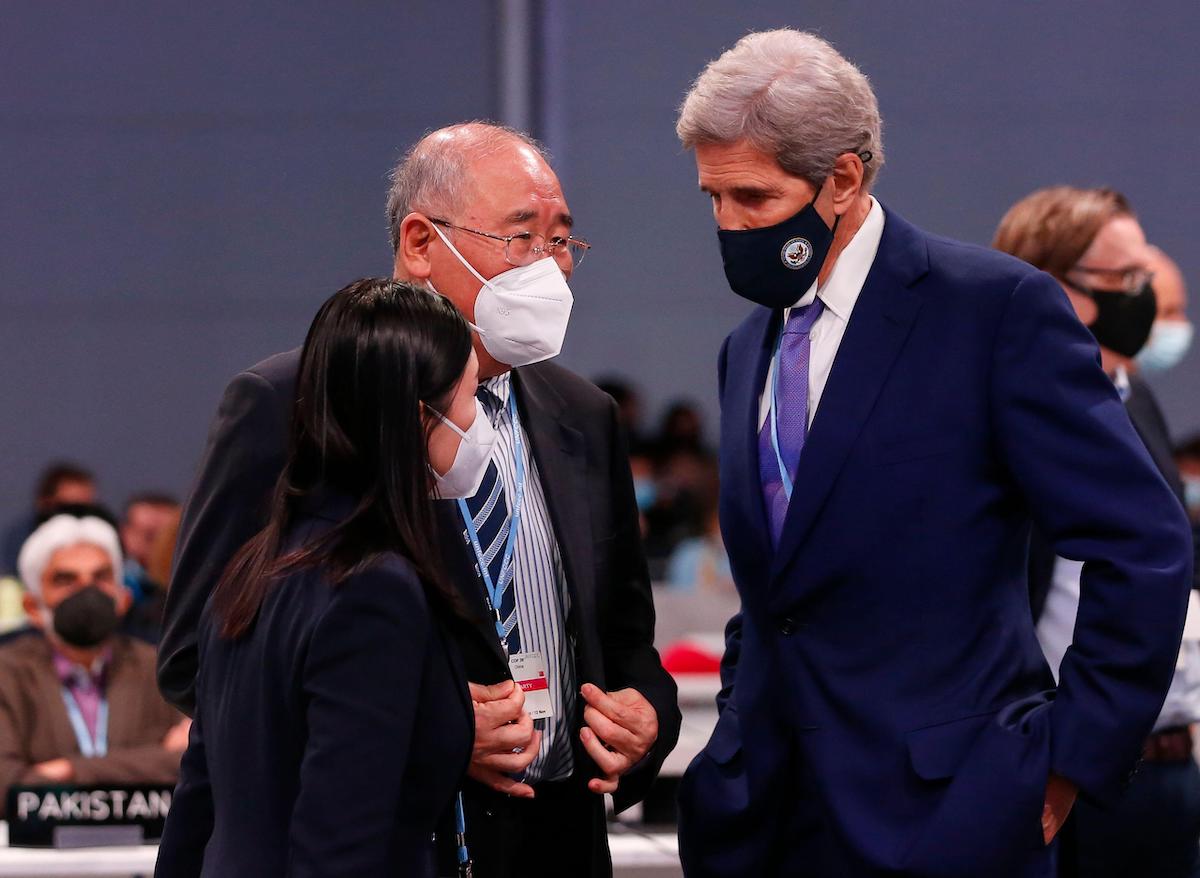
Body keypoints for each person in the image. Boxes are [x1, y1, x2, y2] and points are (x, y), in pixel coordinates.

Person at [673, 29, 1192, 878]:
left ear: (843, 178)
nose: (729, 224)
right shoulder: (747, 348)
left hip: (957, 815)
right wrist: (734, 730)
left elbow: (1144, 542)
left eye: (754, 199)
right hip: (764, 818)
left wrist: (1068, 755)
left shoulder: (991, 312)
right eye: (713, 198)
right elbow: (783, 588)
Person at [158, 123, 679, 878]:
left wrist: (648, 716)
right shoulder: (291, 400)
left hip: (561, 840)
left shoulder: (584, 414)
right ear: (421, 242)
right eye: (521, 238)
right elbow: (202, 658)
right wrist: (417, 722)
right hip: (400, 836)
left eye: (562, 242)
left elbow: (625, 633)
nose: (553, 268)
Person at [156, 280, 476, 877]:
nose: (477, 420)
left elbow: (197, 804)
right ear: (416, 417)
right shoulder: (373, 590)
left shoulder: (254, 565)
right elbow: (339, 846)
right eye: (470, 396)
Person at [995, 189, 1200, 877]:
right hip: (1067, 760)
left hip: (1166, 760)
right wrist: (1065, 756)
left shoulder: (1129, 391)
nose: (1141, 299)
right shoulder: (1001, 406)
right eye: (1125, 282)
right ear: (1051, 286)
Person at [0, 514, 186, 816]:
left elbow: (192, 764)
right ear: (32, 607)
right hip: (37, 861)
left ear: (123, 599)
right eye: (65, 579)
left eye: (101, 577)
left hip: (144, 860)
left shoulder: (163, 669)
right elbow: (6, 785)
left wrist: (68, 770)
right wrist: (148, 762)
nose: (87, 591)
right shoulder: (6, 674)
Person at [1, 462, 97, 576]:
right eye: (67, 508)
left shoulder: (100, 542)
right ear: (44, 503)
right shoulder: (21, 542)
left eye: (85, 510)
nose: (75, 517)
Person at [1137, 245, 1193, 373]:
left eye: (1180, 310)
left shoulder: (1130, 390)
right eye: (1169, 312)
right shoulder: (1085, 389)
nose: (1181, 323)